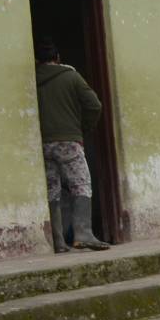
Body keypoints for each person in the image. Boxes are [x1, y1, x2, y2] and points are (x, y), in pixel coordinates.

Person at [33, 41, 109, 253]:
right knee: (81, 184)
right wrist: (83, 128)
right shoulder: (71, 76)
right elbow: (94, 105)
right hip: (69, 142)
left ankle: (58, 242)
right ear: (57, 57)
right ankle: (83, 234)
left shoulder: (31, 81)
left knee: (52, 190)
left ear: (36, 60)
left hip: (43, 143)